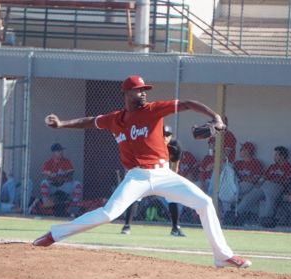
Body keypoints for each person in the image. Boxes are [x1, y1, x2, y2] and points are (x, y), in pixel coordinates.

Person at [33, 75, 251, 269]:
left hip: (164, 175)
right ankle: (54, 234)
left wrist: (216, 117)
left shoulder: (153, 110)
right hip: (137, 177)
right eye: (139, 90)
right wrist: (62, 124)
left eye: (145, 90)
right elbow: (90, 121)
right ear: (127, 93)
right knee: (109, 213)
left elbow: (187, 103)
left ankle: (223, 256)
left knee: (204, 202)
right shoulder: (116, 119)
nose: (144, 94)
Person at [121, 125, 186, 237]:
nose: (165, 137)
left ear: (171, 136)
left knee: (173, 197)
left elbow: (175, 166)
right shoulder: (151, 142)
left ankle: (175, 228)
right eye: (163, 134)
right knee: (135, 197)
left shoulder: (175, 146)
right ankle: (127, 226)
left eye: (168, 135)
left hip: (164, 175)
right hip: (146, 174)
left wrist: (172, 181)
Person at [234, 146, 291, 227]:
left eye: (276, 155)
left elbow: (287, 181)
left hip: (277, 186)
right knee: (250, 196)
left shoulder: (290, 167)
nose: (274, 157)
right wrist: (259, 183)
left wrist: (273, 181)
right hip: (265, 185)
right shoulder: (273, 166)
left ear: (282, 156)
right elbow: (264, 177)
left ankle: (266, 220)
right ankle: (236, 214)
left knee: (270, 199)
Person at [221, 142, 263, 221]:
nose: (240, 151)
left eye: (242, 149)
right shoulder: (237, 163)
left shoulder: (256, 163)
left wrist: (240, 178)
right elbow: (231, 176)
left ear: (247, 151)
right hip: (237, 184)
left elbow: (253, 180)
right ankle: (228, 215)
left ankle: (230, 215)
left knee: (230, 191)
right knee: (225, 192)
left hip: (248, 185)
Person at [40, 143, 82, 211]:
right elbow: (44, 173)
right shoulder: (48, 162)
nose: (61, 152)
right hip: (53, 186)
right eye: (59, 151)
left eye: (61, 151)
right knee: (44, 183)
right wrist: (50, 174)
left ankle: (74, 204)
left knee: (77, 184)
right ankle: (46, 202)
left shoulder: (66, 161)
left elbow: (71, 172)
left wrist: (64, 174)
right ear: (53, 152)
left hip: (64, 185)